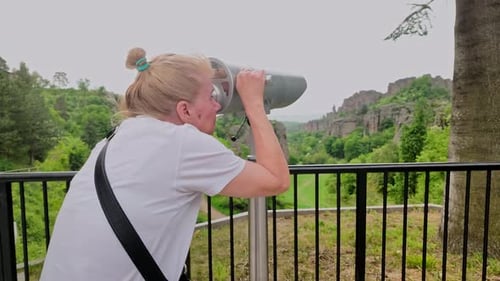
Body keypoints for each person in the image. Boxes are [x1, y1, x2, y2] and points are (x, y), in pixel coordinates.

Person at [39, 47, 290, 281]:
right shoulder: (180, 142)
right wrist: (254, 103)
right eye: (211, 95)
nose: (217, 105)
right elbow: (276, 180)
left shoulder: (113, 140)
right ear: (185, 110)